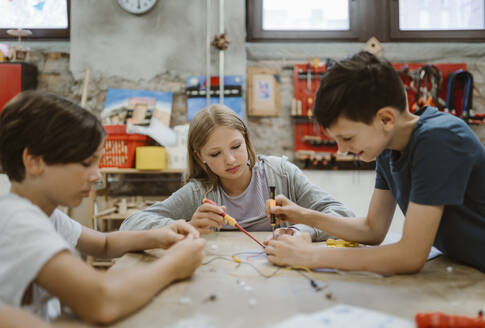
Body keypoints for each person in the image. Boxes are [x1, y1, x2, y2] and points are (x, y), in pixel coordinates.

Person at [265, 51, 485, 275]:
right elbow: (372, 230)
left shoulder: (439, 140)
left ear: (386, 119)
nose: (341, 150)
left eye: (347, 138)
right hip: (471, 267)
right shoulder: (387, 148)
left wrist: (308, 256)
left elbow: (410, 256)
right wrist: (302, 215)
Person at [0, 91, 205, 324]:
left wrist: (158, 236)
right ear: (34, 161)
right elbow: (102, 301)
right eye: (87, 163)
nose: (97, 176)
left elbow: (104, 244)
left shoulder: (45, 214)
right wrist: (174, 265)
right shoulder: (17, 222)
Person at [120, 104, 354, 242]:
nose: (230, 160)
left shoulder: (281, 174)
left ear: (246, 139)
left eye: (236, 147)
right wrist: (186, 225)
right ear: (199, 156)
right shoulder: (199, 192)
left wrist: (302, 231)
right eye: (215, 154)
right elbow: (130, 226)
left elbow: (344, 216)